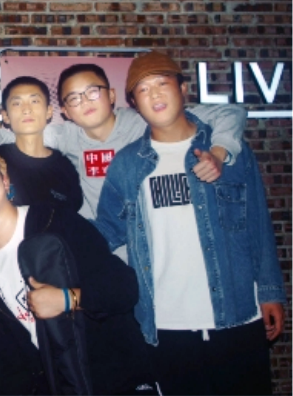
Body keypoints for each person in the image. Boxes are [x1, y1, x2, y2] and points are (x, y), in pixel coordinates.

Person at [93, 52, 286, 395]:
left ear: (183, 89)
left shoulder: (228, 151)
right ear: (134, 103)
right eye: (142, 89)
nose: (154, 94)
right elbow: (106, 232)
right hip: (166, 325)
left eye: (162, 83)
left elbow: (258, 223)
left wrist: (271, 292)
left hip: (238, 314)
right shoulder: (127, 165)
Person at [0, 143, 155, 395]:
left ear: (5, 181)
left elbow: (124, 287)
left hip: (109, 378)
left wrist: (68, 299)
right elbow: (1, 357)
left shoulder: (56, 221)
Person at [0, 61, 247, 219]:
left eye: (93, 92)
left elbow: (230, 113)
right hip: (99, 247)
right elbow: (19, 132)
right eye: (74, 98)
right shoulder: (66, 135)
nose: (85, 102)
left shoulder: (144, 122)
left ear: (112, 95)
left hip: (150, 240)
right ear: (65, 111)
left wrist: (220, 152)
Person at [0, 76, 83, 212]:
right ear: (6, 116)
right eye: (17, 103)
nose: (27, 110)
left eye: (34, 101)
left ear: (49, 111)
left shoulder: (65, 167)